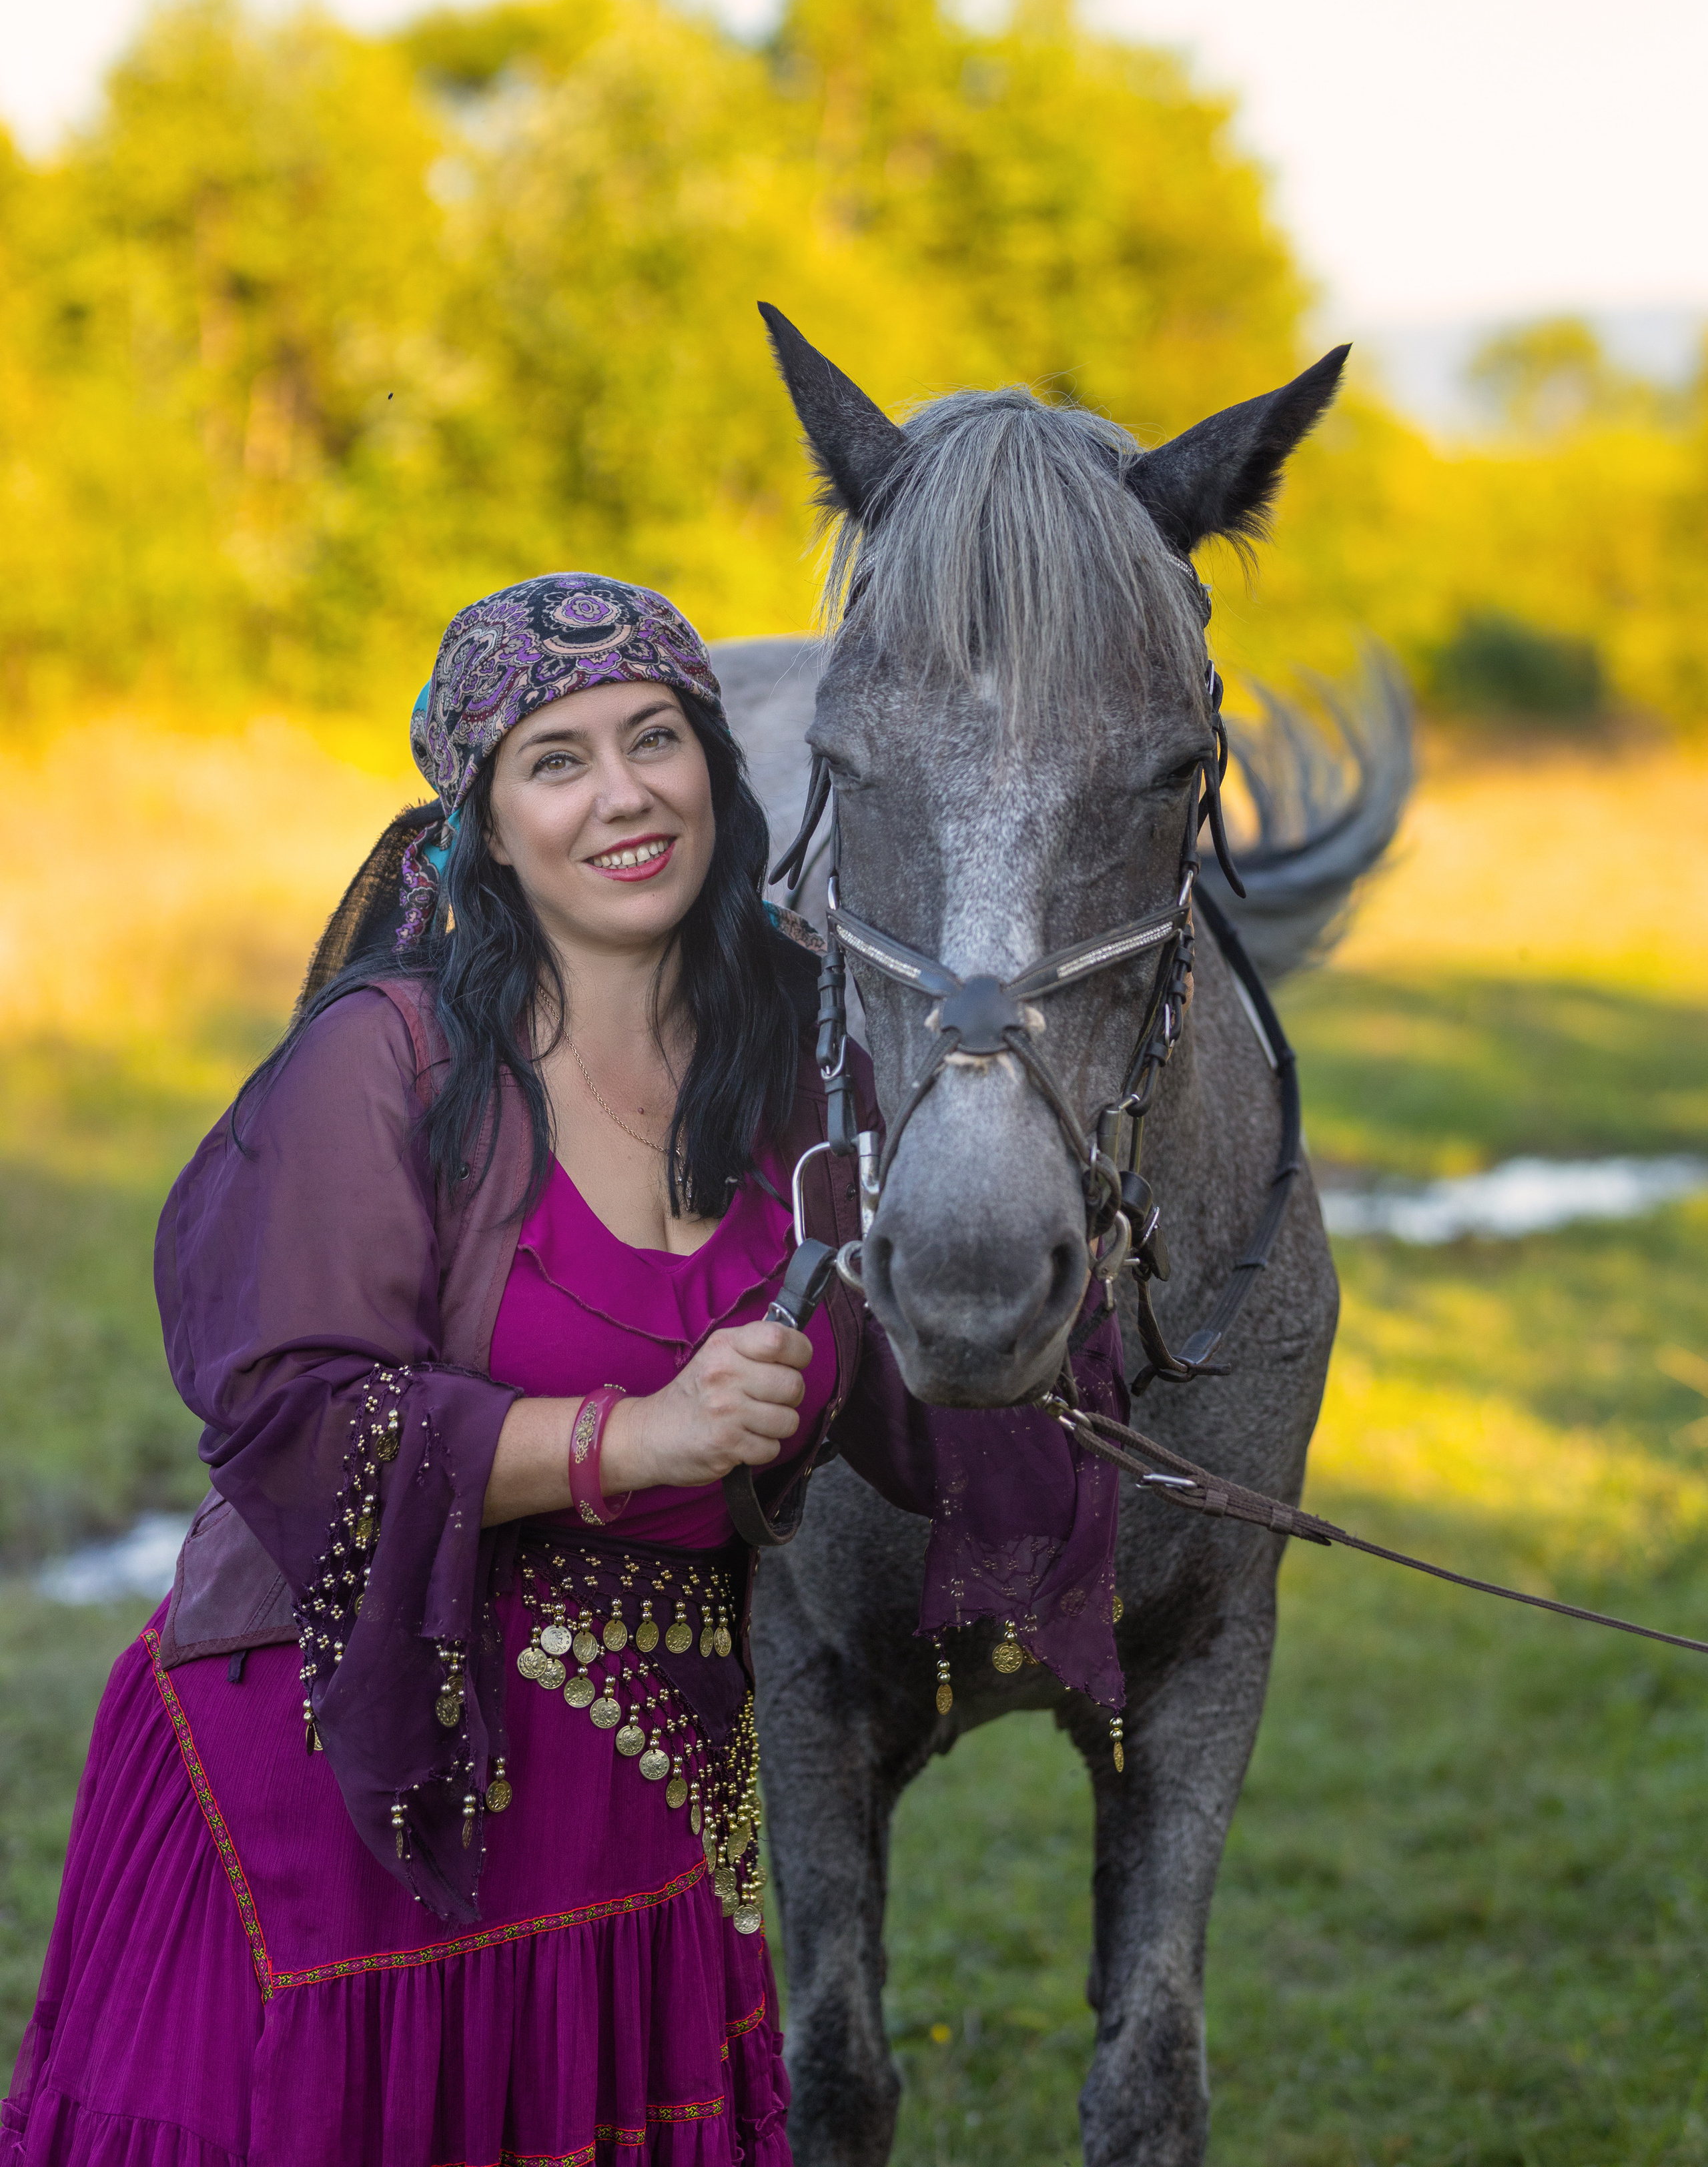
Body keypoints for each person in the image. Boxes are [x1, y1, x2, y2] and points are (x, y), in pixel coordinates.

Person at [2, 572, 1128, 2167]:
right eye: (556, 757)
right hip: (351, 1775)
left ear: (716, 771)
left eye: (654, 738)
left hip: (653, 1806)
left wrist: (1061, 1294)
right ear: (478, 817)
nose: (622, 795)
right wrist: (634, 1436)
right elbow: (291, 1417)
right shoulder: (386, 1061)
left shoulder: (804, 1060)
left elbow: (935, 1379)